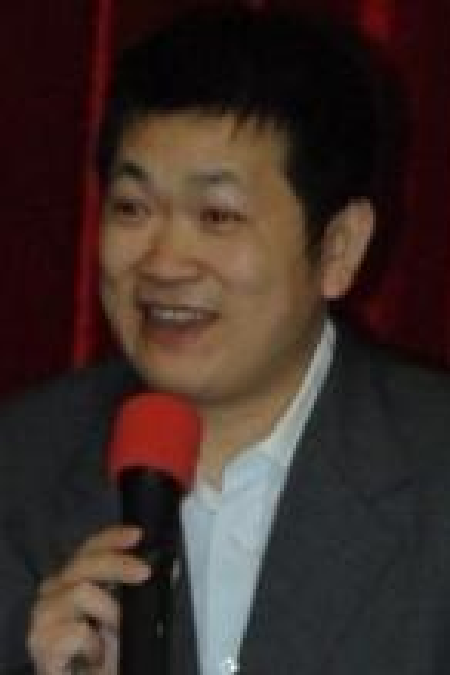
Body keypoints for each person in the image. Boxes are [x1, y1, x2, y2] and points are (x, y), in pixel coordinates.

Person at [1, 6, 449, 675]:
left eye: (217, 215)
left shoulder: (434, 468)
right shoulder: (19, 468)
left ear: (339, 247)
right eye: (132, 208)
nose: (164, 262)